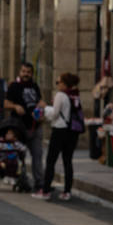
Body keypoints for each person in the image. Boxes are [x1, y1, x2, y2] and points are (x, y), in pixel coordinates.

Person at [36, 72, 85, 201]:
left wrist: (45, 108)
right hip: (71, 132)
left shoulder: (60, 95)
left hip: (59, 130)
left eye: (58, 82)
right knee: (67, 161)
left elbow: (55, 114)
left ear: (64, 84)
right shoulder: (75, 95)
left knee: (51, 160)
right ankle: (67, 192)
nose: (57, 84)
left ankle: (45, 190)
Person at [3, 61, 44, 192]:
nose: (26, 74)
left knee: (37, 155)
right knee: (20, 155)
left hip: (35, 126)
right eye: (23, 72)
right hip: (19, 126)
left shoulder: (35, 86)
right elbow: (5, 103)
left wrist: (42, 105)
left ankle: (40, 183)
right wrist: (15, 106)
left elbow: (40, 100)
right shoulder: (14, 86)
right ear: (20, 72)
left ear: (32, 74)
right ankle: (23, 180)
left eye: (28, 72)